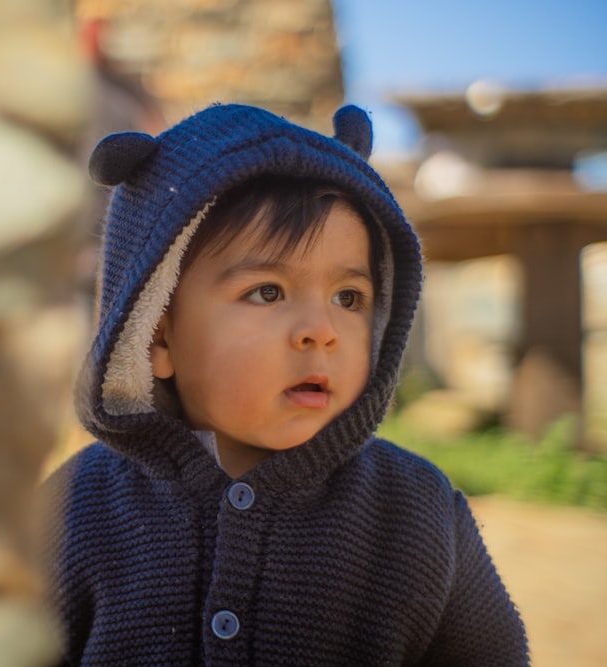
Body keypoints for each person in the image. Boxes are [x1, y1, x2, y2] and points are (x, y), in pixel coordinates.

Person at [41, 103, 529, 665]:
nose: (321, 332)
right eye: (268, 292)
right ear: (156, 334)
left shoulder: (417, 511)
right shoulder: (77, 508)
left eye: (349, 299)